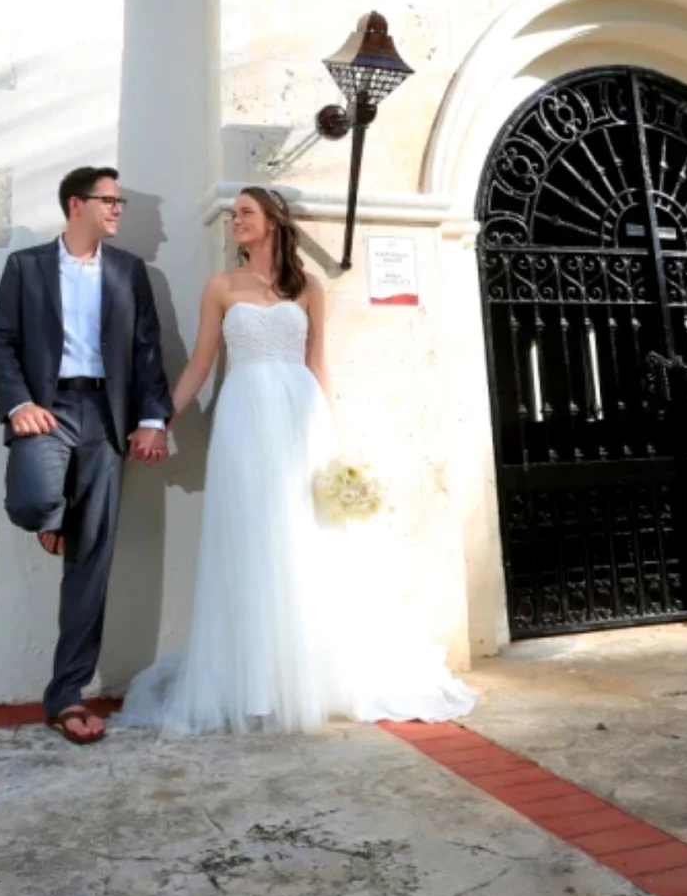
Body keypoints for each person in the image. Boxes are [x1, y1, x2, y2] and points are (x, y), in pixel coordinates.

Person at [119, 187, 475, 734]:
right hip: (242, 420)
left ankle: (309, 673)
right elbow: (200, 364)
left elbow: (318, 363)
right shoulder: (220, 287)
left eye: (246, 213)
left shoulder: (307, 286)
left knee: (305, 540)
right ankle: (255, 683)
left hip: (299, 419)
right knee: (252, 540)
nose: (235, 221)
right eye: (233, 213)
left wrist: (333, 445)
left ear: (273, 221)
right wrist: (157, 421)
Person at [0, 166, 172, 746]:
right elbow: (1, 341)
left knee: (91, 565)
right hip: (49, 408)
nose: (118, 210)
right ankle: (54, 516)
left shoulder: (128, 271)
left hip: (107, 419)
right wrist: (18, 406)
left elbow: (145, 347)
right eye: (109, 200)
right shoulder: (27, 267)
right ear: (76, 204)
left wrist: (151, 419)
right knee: (37, 495)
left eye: (119, 201)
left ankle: (65, 696)